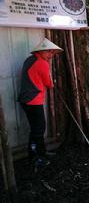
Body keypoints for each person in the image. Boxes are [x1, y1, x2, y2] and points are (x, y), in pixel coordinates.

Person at [18, 38, 63, 167]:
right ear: (41, 51)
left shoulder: (29, 60)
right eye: (48, 52)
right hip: (33, 100)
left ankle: (41, 152)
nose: (50, 55)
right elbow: (49, 84)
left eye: (52, 53)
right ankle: (34, 157)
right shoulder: (42, 63)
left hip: (26, 99)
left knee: (37, 128)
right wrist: (51, 82)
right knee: (38, 130)